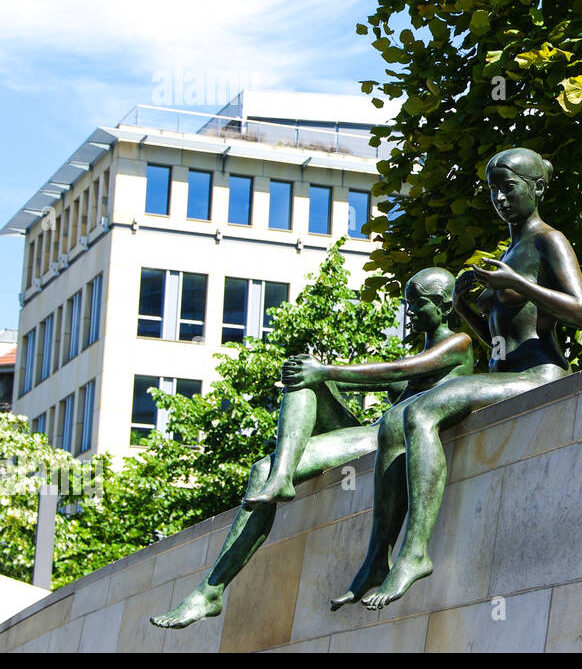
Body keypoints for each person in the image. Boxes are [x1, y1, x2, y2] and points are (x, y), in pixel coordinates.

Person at [333, 147, 582, 610]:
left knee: (423, 409)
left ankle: (414, 554)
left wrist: (522, 283)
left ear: (535, 187)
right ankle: (377, 557)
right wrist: (466, 307)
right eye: (493, 189)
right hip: (501, 375)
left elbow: (581, 312)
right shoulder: (509, 253)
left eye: (508, 187)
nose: (499, 198)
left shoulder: (548, 242)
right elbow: (496, 336)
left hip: (539, 373)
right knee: (394, 421)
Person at [150, 268, 473, 629]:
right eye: (407, 305)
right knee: (274, 440)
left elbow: (397, 369)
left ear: (445, 306)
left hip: (381, 437)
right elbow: (386, 374)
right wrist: (319, 373)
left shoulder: (458, 344)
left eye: (419, 304)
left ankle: (281, 478)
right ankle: (211, 589)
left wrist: (328, 371)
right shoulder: (424, 348)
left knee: (315, 373)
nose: (410, 313)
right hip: (371, 431)